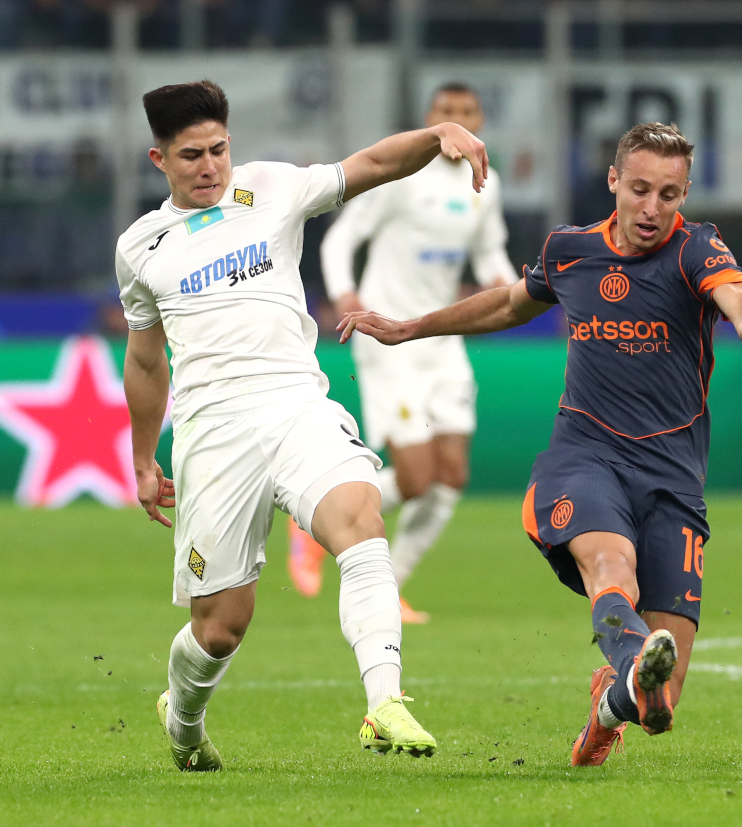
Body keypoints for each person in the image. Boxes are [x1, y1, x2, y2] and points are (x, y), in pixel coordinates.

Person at [338, 122, 742, 767]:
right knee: (611, 567)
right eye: (639, 190)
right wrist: (412, 328)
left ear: (685, 196)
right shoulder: (570, 251)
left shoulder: (695, 249)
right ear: (613, 181)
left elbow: (735, 293)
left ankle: (611, 704)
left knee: (659, 706)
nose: (652, 208)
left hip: (672, 476)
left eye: (668, 195)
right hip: (585, 459)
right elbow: (507, 305)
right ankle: (633, 656)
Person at [117, 79, 489, 770]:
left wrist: (436, 136)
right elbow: (144, 361)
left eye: (219, 149)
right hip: (213, 433)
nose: (209, 166)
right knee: (220, 627)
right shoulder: (141, 247)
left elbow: (371, 164)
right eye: (191, 155)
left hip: (296, 404)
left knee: (361, 519)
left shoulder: (272, 188)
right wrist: (144, 460)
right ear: (159, 159)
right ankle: (184, 719)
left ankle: (385, 701)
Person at [285, 83, 516, 623]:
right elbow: (340, 239)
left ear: (480, 120)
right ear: (432, 118)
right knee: (414, 479)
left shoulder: (487, 182)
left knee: (451, 476)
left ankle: (393, 588)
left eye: (466, 111)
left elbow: (488, 253)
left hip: (441, 338)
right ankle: (315, 526)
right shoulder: (404, 174)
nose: (457, 119)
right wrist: (346, 294)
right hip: (388, 337)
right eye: (446, 111)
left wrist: (511, 284)